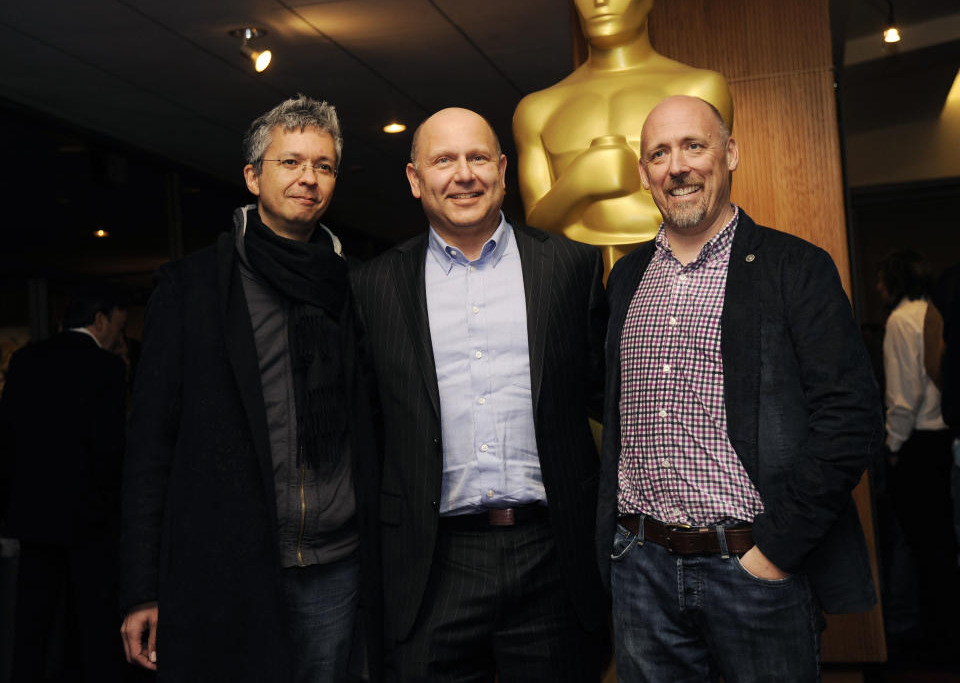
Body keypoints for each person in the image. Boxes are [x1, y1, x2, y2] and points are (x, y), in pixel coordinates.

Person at [596, 95, 882, 681]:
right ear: (643, 174)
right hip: (641, 570)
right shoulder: (626, 278)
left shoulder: (794, 268)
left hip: (753, 569)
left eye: (694, 146)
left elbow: (849, 421)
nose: (677, 166)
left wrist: (774, 552)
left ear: (730, 153)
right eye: (659, 153)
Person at [119, 95, 380, 682]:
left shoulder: (358, 288)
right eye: (291, 162)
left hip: (332, 568)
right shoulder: (193, 289)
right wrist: (140, 588)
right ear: (252, 175)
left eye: (324, 166)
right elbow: (148, 450)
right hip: (224, 564)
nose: (308, 179)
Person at [351, 107, 608, 681]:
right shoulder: (372, 287)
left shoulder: (570, 268)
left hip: (552, 558)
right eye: (444, 160)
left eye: (477, 158)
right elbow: (364, 427)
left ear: (502, 168)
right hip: (430, 563)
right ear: (416, 179)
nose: (462, 174)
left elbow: (608, 399)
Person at [513, 0, 733, 278]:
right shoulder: (537, 109)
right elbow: (535, 226)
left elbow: (710, 201)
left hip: (679, 276)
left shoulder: (698, 88)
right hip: (576, 291)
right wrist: (579, 183)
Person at [0, 292, 128, 682]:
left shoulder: (25, 360)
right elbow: (111, 448)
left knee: (33, 620)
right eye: (118, 327)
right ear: (100, 320)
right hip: (91, 516)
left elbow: (8, 439)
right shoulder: (106, 367)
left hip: (35, 514)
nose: (118, 338)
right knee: (93, 621)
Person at [878, 249, 956, 641]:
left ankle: (923, 632)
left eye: (882, 278)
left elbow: (903, 397)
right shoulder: (934, 312)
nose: (877, 287)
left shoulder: (899, 321)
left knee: (917, 543)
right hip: (944, 438)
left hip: (917, 445)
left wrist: (891, 447)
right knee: (943, 539)